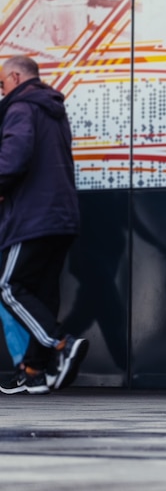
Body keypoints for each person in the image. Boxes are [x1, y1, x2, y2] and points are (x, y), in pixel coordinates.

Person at [0, 55, 87, 395]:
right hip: (62, 215)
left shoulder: (21, 108)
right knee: (43, 292)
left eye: (3, 82)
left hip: (32, 216)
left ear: (16, 76)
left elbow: (13, 158)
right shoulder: (53, 110)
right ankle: (35, 369)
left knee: (7, 286)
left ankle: (62, 343)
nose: (2, 90)